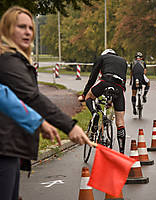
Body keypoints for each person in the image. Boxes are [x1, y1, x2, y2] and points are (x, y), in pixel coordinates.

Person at [0, 6, 93, 200]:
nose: (27, 32)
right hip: (4, 148)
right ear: (7, 30)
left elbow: (18, 101)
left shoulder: (15, 61)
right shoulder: (8, 61)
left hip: (10, 147)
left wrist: (39, 123)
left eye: (30, 28)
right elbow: (32, 97)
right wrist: (69, 126)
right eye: (21, 27)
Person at [78, 48, 128, 154]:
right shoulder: (123, 61)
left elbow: (93, 77)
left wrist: (84, 94)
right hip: (119, 88)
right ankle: (122, 152)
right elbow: (124, 81)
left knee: (89, 97)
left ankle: (95, 114)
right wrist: (112, 100)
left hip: (105, 81)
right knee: (120, 121)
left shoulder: (102, 58)